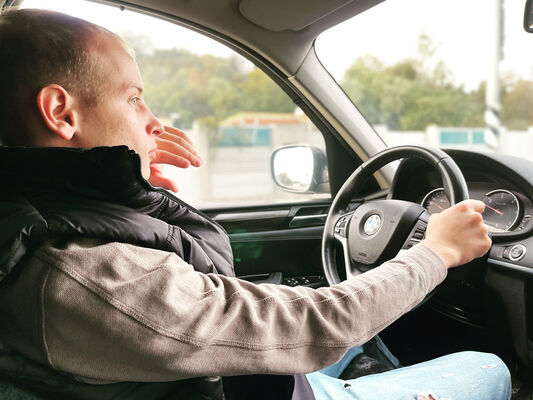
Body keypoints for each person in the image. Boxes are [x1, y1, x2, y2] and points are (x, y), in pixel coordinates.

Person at [0, 7, 511, 400]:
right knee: (487, 367)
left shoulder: (45, 213)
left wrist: (133, 193)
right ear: (61, 113)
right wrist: (436, 251)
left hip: (225, 377)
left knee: (361, 333)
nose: (154, 122)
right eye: (134, 99)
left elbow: (195, 278)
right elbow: (321, 324)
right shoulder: (81, 274)